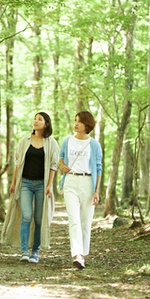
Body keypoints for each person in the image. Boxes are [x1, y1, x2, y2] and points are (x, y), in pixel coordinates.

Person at [1, 112, 59, 264]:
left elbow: (53, 166)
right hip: (25, 184)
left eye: (40, 119)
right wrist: (14, 183)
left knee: (39, 219)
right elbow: (18, 164)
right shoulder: (24, 141)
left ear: (46, 124)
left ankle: (35, 251)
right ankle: (24, 251)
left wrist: (49, 185)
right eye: (35, 118)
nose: (36, 121)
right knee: (26, 216)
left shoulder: (51, 143)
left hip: (41, 185)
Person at [57, 110, 103, 270]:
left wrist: (96, 191)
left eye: (80, 121)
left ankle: (83, 254)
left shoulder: (94, 145)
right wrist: (62, 165)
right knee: (74, 220)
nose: (76, 124)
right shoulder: (67, 141)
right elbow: (61, 158)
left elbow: (99, 168)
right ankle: (77, 255)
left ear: (87, 125)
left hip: (88, 183)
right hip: (70, 182)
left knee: (85, 221)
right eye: (75, 120)